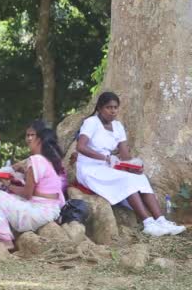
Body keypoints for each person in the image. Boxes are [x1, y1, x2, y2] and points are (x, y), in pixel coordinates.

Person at [76, 92, 185, 236]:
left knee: (140, 178)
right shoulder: (91, 123)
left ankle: (161, 220)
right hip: (89, 169)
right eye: (109, 107)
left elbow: (125, 155)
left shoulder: (118, 126)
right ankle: (148, 223)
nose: (113, 111)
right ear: (100, 108)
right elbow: (81, 147)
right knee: (127, 180)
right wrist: (105, 158)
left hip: (108, 167)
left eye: (115, 107)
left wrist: (133, 166)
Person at [0, 125, 66, 250]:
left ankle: (3, 239)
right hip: (49, 210)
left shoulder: (36, 160)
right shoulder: (48, 160)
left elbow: (27, 194)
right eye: (27, 135)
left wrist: (6, 182)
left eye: (32, 135)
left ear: (40, 139)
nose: (28, 139)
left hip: (40, 211)